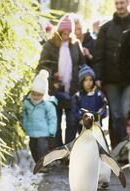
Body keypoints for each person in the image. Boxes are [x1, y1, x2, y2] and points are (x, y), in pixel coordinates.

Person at [93, 0, 130, 148]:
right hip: (111, 80)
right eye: (117, 3)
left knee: (125, 114)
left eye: (122, 3)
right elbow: (98, 54)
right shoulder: (106, 28)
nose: (119, 6)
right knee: (116, 115)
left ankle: (126, 147)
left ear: (128, 3)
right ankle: (119, 149)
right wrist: (98, 77)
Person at [36, 13, 84, 147]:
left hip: (72, 89)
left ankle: (68, 151)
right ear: (58, 31)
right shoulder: (49, 46)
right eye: (64, 31)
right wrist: (52, 76)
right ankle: (57, 150)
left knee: (72, 122)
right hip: (55, 90)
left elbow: (82, 64)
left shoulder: (75, 45)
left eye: (69, 32)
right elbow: (42, 66)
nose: (66, 34)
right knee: (55, 122)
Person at [22, 70, 57, 163]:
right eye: (34, 94)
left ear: (43, 93)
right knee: (32, 147)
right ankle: (37, 163)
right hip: (32, 131)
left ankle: (43, 164)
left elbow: (52, 118)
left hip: (43, 132)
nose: (36, 97)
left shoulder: (48, 104)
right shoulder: (27, 102)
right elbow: (24, 115)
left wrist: (51, 131)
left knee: (42, 148)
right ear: (31, 92)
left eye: (39, 95)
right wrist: (24, 126)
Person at [74, 65, 108, 133]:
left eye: (90, 79)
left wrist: (98, 116)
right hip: (82, 126)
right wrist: (81, 119)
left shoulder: (98, 94)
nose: (88, 82)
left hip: (96, 125)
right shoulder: (78, 95)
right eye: (86, 80)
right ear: (81, 82)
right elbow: (75, 109)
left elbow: (104, 107)